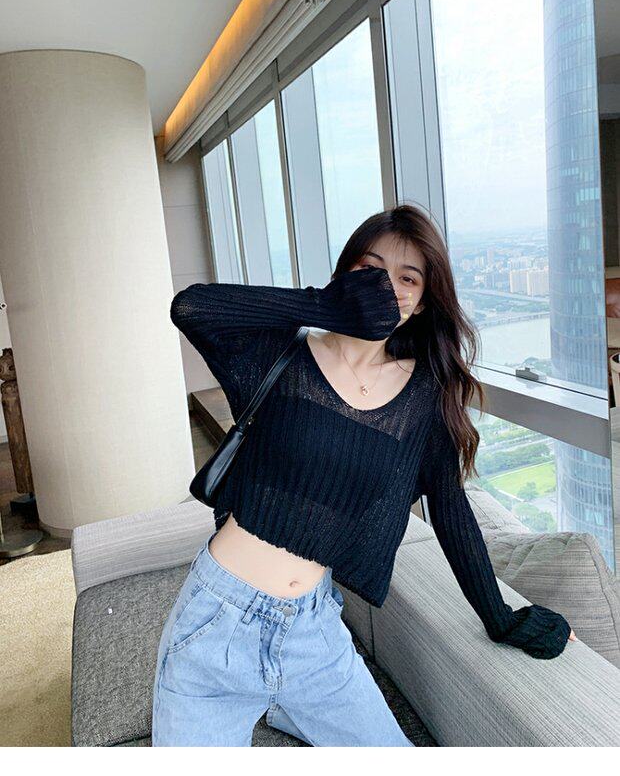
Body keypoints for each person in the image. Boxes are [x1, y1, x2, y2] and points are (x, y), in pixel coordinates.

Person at [152, 204, 575, 747]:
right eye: (370, 270)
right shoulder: (279, 357)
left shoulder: (424, 398)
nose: (386, 288)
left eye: (407, 278)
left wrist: (501, 618)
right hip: (217, 620)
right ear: (345, 274)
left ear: (423, 301)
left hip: (315, 634)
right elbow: (191, 307)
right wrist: (327, 308)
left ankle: (284, 704)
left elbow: (450, 511)